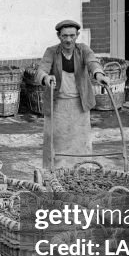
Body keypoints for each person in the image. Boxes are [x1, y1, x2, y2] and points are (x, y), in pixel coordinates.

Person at [35, 19, 109, 169]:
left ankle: (81, 170)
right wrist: (46, 77)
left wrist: (99, 75)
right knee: (57, 141)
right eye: (64, 36)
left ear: (77, 35)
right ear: (59, 36)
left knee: (80, 141)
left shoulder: (83, 50)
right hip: (57, 105)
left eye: (72, 35)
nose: (68, 39)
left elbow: (92, 62)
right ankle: (54, 172)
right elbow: (41, 70)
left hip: (79, 104)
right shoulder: (51, 52)